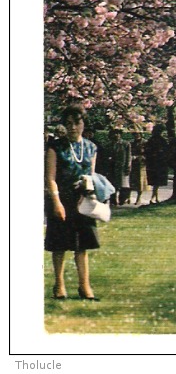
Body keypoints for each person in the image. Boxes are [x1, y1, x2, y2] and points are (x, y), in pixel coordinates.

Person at [44, 103, 100, 301]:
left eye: (77, 123)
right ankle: (59, 285)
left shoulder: (91, 147)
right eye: (68, 123)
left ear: (83, 123)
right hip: (60, 198)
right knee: (59, 244)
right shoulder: (55, 146)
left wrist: (91, 195)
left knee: (81, 245)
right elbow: (50, 177)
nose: (73, 127)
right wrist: (56, 202)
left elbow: (91, 175)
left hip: (81, 199)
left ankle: (84, 286)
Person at [145, 124, 169, 204]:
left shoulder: (151, 140)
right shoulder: (161, 140)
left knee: (156, 182)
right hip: (158, 163)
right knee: (156, 182)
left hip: (153, 163)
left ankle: (155, 197)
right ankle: (153, 198)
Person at [107, 129, 131, 206]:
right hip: (112, 167)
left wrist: (128, 166)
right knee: (112, 184)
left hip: (122, 166)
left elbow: (128, 156)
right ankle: (113, 200)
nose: (116, 135)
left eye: (118, 133)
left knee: (123, 184)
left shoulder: (125, 144)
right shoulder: (109, 145)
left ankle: (122, 200)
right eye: (114, 133)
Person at [129, 132, 148, 205]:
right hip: (132, 163)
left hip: (141, 164)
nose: (136, 136)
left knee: (140, 181)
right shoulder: (131, 143)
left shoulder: (145, 142)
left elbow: (147, 153)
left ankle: (138, 198)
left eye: (138, 134)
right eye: (135, 134)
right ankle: (128, 197)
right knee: (131, 180)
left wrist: (139, 157)